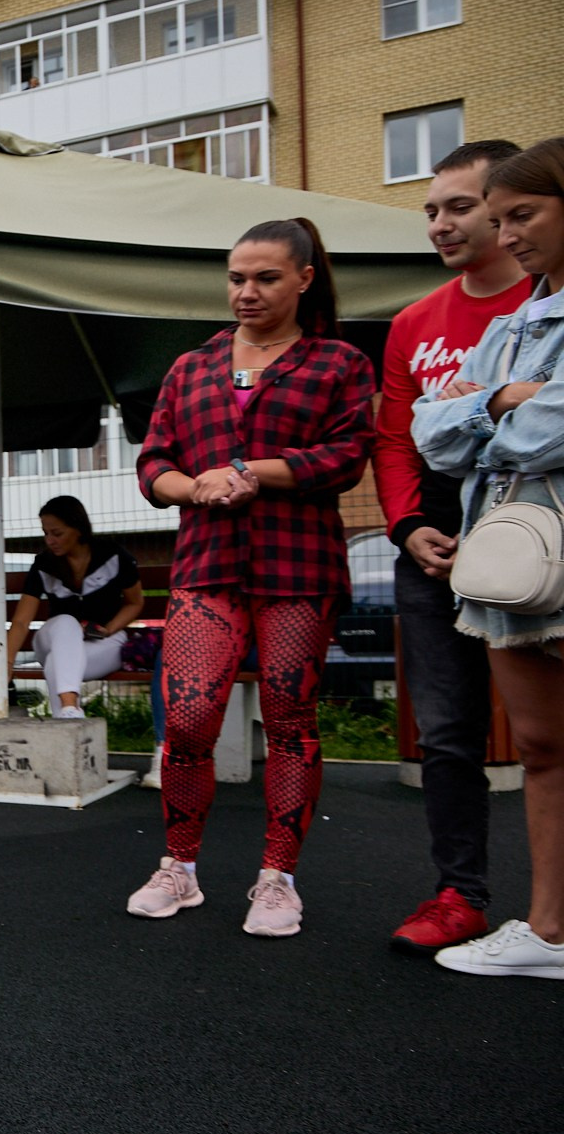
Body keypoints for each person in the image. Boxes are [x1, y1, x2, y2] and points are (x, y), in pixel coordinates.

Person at [130, 218, 374, 937]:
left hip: (298, 564)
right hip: (206, 566)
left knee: (291, 718)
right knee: (189, 717)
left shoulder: (337, 363)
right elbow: (152, 463)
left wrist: (252, 473)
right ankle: (180, 866)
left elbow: (347, 456)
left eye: (266, 277)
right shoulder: (191, 367)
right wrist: (192, 487)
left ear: (303, 278)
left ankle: (277, 878)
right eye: (237, 277)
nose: (247, 291)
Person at [412, 136, 564, 981]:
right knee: (541, 745)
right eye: (498, 218)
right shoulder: (511, 328)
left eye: (523, 215)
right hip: (514, 561)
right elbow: (431, 436)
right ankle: (548, 931)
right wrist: (503, 401)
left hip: (545, 545)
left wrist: (481, 415)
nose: (506, 236)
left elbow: (552, 431)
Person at [376, 140, 532, 953]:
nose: (439, 223)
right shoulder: (412, 322)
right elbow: (395, 440)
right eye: (431, 209)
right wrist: (406, 527)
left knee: (546, 736)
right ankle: (458, 894)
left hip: (539, 534)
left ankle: (551, 913)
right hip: (432, 547)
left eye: (459, 207)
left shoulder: (546, 309)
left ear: (506, 211)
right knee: (447, 733)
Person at [1, 495, 143, 720]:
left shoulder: (112, 555)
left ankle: (68, 723)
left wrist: (109, 628)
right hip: (53, 638)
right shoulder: (43, 564)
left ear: (78, 529)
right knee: (67, 623)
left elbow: (135, 602)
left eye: (57, 533)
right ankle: (71, 707)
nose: (50, 540)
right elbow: (21, 622)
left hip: (105, 641)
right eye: (46, 533)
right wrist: (5, 663)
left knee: (56, 665)